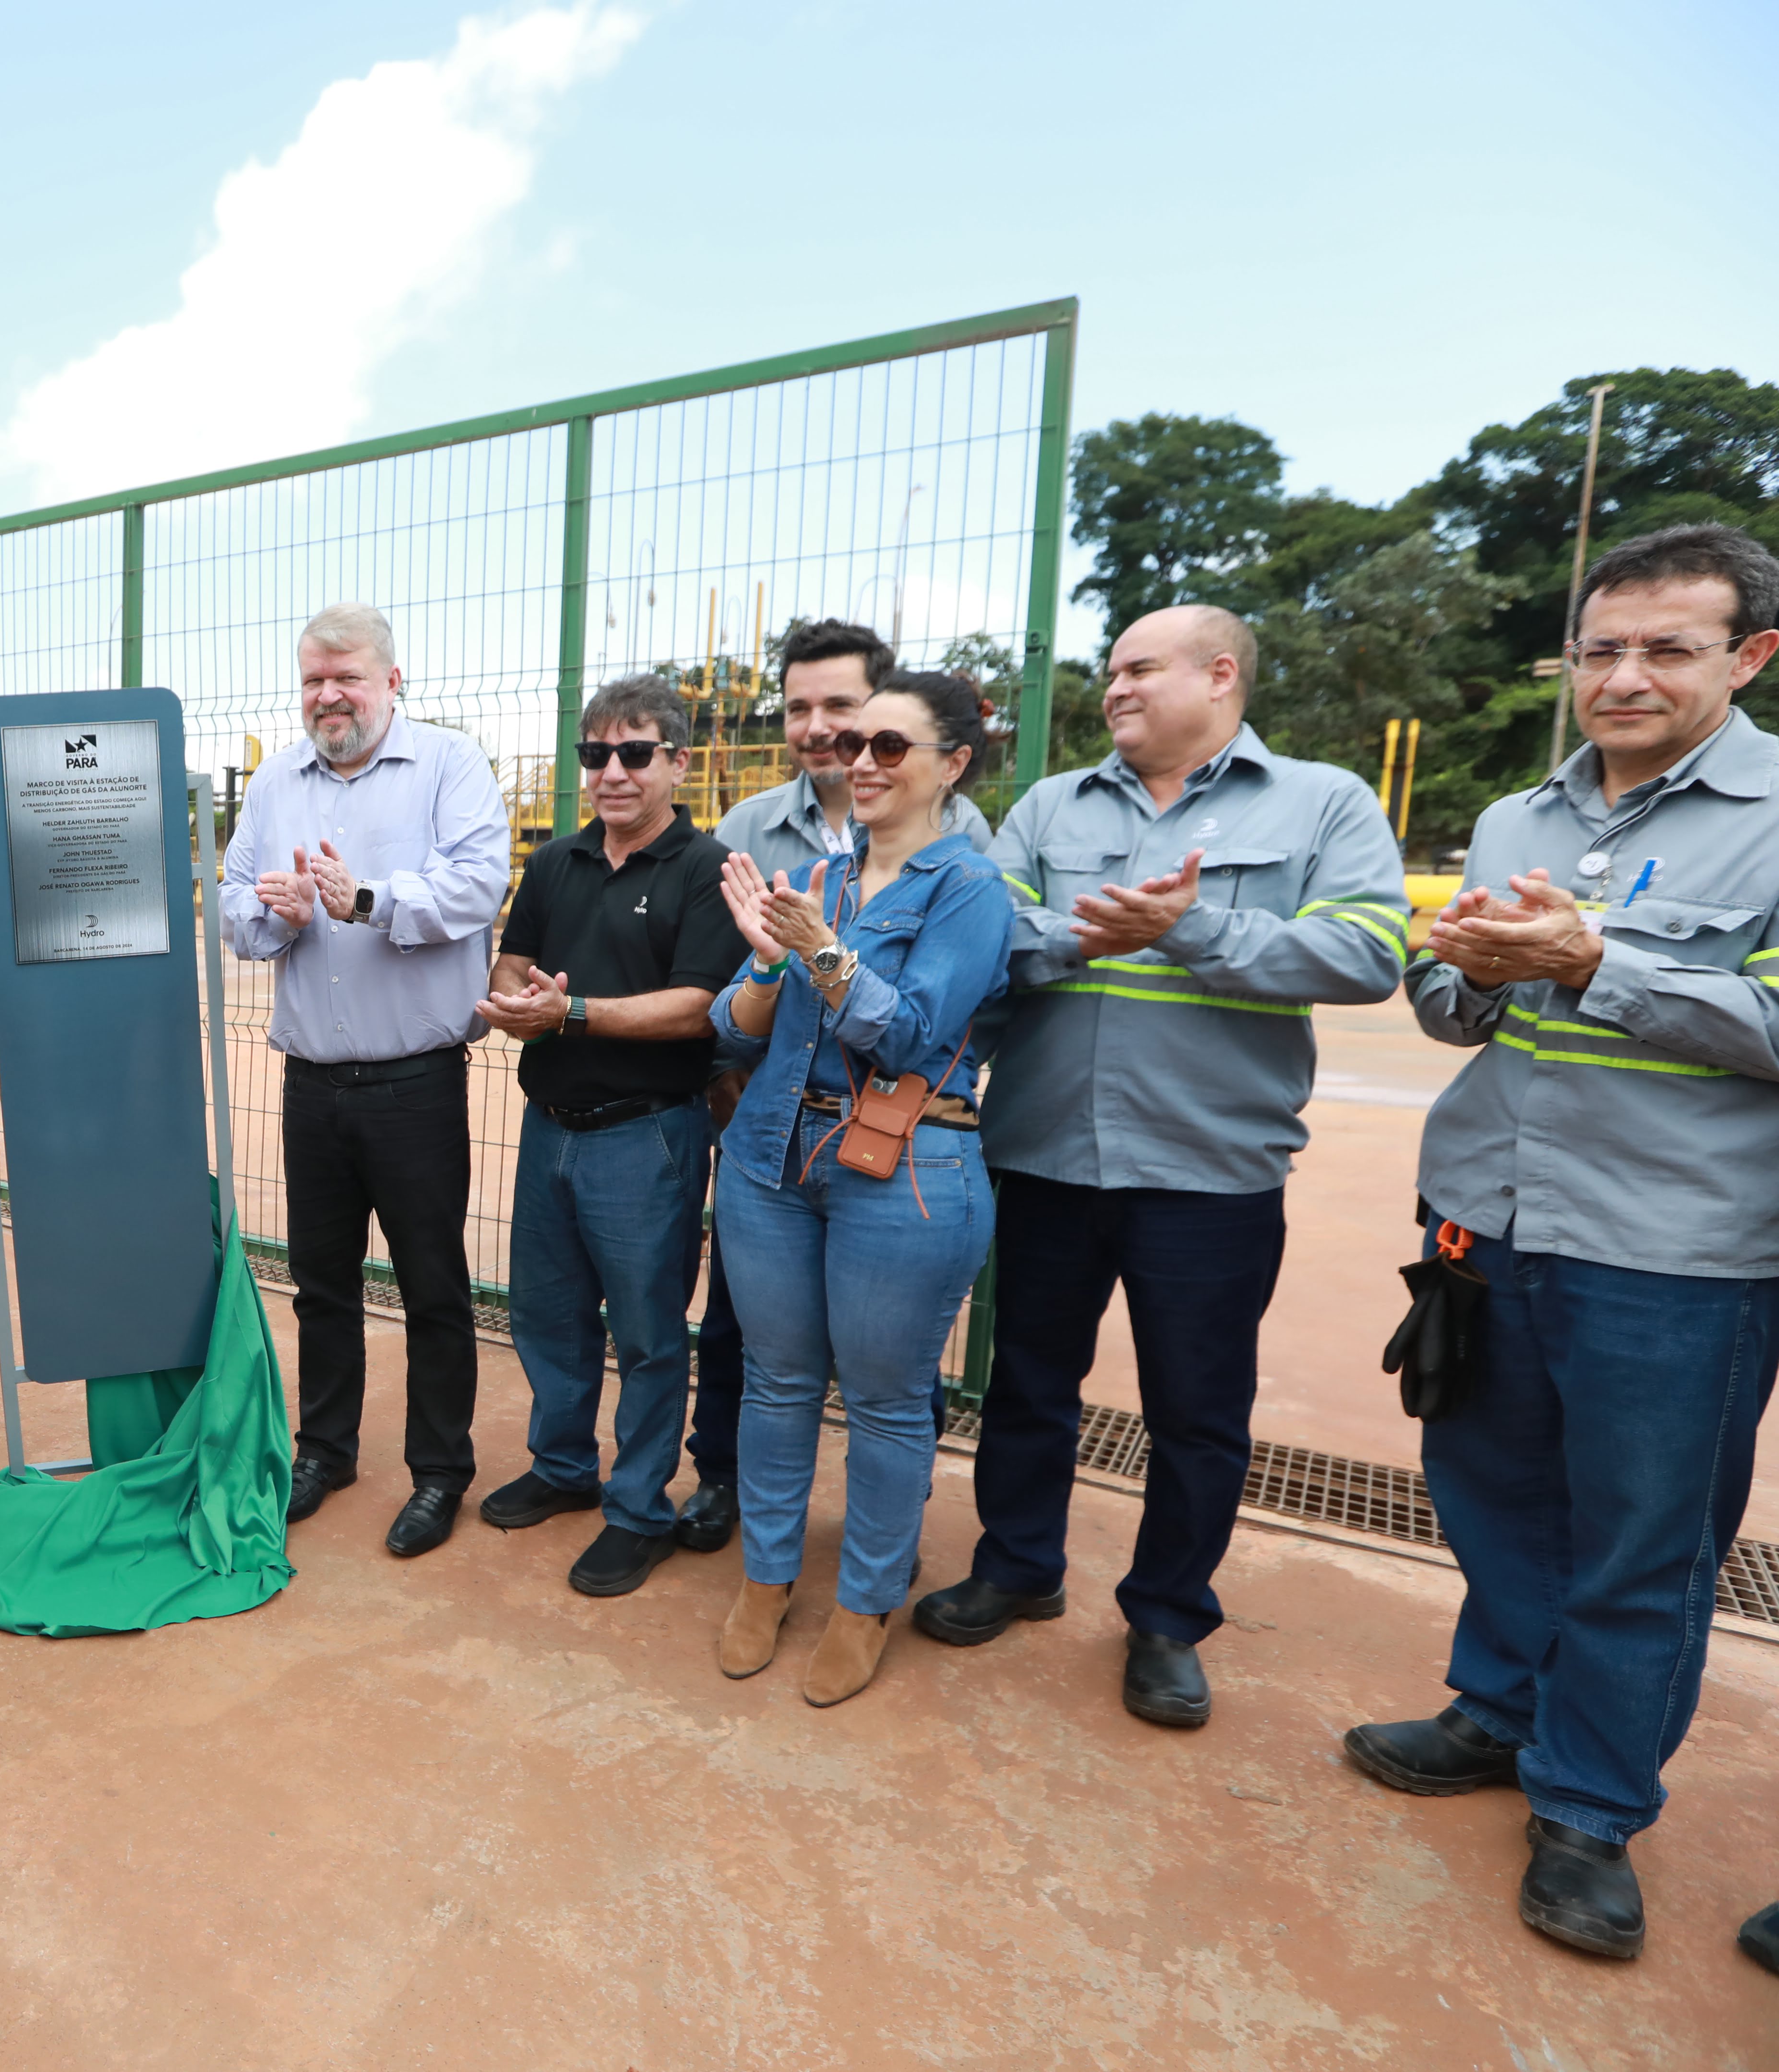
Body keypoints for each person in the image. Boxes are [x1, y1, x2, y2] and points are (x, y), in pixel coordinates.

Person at [1343, 523, 1779, 1962]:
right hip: (1488, 1218)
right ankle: (1499, 1709)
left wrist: (1599, 966)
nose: (1624, 676)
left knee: (1644, 1542)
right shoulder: (1524, 820)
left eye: (1668, 648)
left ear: (1750, 658)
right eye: (1601, 648)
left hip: (1678, 1253)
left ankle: (1592, 1811)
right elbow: (1452, 1012)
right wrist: (1458, 972)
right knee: (1489, 1489)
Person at [913, 604, 1407, 1729]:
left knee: (1197, 1407)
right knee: (1031, 1380)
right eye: (1112, 670)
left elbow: (1369, 950)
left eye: (1141, 668)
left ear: (1220, 673)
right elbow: (991, 931)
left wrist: (1196, 930)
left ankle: (1169, 1616)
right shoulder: (1051, 805)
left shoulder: (1321, 801)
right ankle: (1019, 1563)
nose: (1116, 688)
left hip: (1210, 1169)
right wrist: (1090, 934)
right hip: (1046, 1152)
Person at [706, 670, 1012, 1708]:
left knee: (886, 1402)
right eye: (856, 746)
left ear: (952, 764)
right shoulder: (820, 881)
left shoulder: (970, 889)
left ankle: (867, 1599)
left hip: (905, 1172)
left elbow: (913, 1036)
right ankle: (766, 1577)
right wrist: (760, 964)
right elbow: (732, 1027)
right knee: (777, 1382)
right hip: (769, 1162)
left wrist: (822, 956)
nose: (865, 763)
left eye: (893, 746)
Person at [217, 603, 512, 1555]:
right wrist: (283, 910)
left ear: (394, 682)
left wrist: (368, 899)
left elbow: (478, 885)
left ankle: (438, 1470)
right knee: (320, 1283)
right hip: (314, 1083)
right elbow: (233, 902)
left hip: (415, 1081)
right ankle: (326, 1447)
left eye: (347, 677)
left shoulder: (448, 764)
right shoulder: (274, 780)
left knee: (432, 1284)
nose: (328, 695)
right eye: (313, 679)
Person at [477, 675, 753, 1591]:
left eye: (636, 754)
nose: (614, 773)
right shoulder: (557, 863)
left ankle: (640, 1507)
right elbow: (516, 958)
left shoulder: (705, 869)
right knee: (547, 1318)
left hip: (650, 1137)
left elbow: (698, 1008)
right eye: (597, 755)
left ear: (677, 761)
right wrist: (519, 997)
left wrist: (571, 1013)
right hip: (551, 1128)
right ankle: (564, 1469)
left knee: (646, 1333)